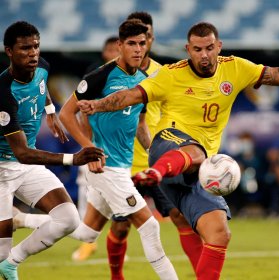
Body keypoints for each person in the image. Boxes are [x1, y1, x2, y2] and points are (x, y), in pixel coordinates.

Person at [78, 22, 279, 279]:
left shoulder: (236, 68)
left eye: (209, 48)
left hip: (199, 169)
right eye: (197, 49)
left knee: (219, 233)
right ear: (188, 50)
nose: (204, 55)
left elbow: (278, 75)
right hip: (166, 146)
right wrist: (96, 105)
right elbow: (130, 96)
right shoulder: (170, 75)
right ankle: (155, 174)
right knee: (193, 152)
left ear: (218, 46)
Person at [59, 19, 178, 280]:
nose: (137, 49)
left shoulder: (144, 81)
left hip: (123, 167)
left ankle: (22, 219)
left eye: (142, 44)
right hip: (106, 167)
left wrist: (156, 154)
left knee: (86, 233)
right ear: (120, 45)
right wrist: (89, 149)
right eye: (132, 44)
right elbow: (66, 114)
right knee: (150, 228)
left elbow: (141, 125)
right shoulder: (100, 76)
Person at [0, 21, 105, 279]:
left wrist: (50, 112)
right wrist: (74, 158)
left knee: (68, 219)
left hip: (25, 167)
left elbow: (41, 86)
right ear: (9, 51)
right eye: (25, 49)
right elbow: (22, 153)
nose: (33, 53)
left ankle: (11, 263)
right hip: (2, 168)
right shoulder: (3, 92)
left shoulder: (42, 67)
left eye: (36, 46)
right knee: (1, 250)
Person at [104, 11, 203, 279]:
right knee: (121, 227)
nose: (141, 43)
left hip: (156, 160)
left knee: (179, 217)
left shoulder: (165, 73)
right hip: (121, 164)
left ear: (151, 38)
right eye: (135, 39)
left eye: (145, 36)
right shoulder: (111, 74)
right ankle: (116, 276)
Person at [71, 35, 120, 262]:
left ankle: (113, 244)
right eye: (110, 50)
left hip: (117, 146)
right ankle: (88, 243)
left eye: (116, 49)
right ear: (104, 53)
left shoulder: (129, 77)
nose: (113, 54)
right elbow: (80, 110)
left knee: (119, 201)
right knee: (86, 190)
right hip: (95, 143)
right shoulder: (95, 75)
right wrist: (87, 144)